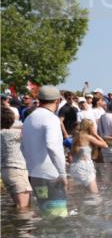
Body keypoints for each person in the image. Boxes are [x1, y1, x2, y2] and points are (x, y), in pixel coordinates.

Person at [20, 85, 68, 217]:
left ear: (39, 99)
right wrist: (63, 173)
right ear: (57, 101)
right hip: (51, 176)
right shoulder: (51, 118)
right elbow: (52, 146)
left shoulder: (29, 118)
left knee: (46, 213)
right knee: (59, 218)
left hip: (34, 176)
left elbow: (22, 147)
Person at [1, 105, 31, 210]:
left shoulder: (3, 133)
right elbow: (28, 129)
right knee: (23, 208)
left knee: (18, 206)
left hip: (6, 171)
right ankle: (23, 226)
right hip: (17, 171)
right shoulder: (14, 133)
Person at [68, 118, 107, 194]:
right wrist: (95, 134)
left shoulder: (76, 137)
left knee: (81, 194)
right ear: (90, 127)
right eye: (93, 126)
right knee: (95, 195)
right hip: (86, 167)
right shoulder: (88, 137)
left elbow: (72, 154)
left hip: (75, 166)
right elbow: (105, 145)